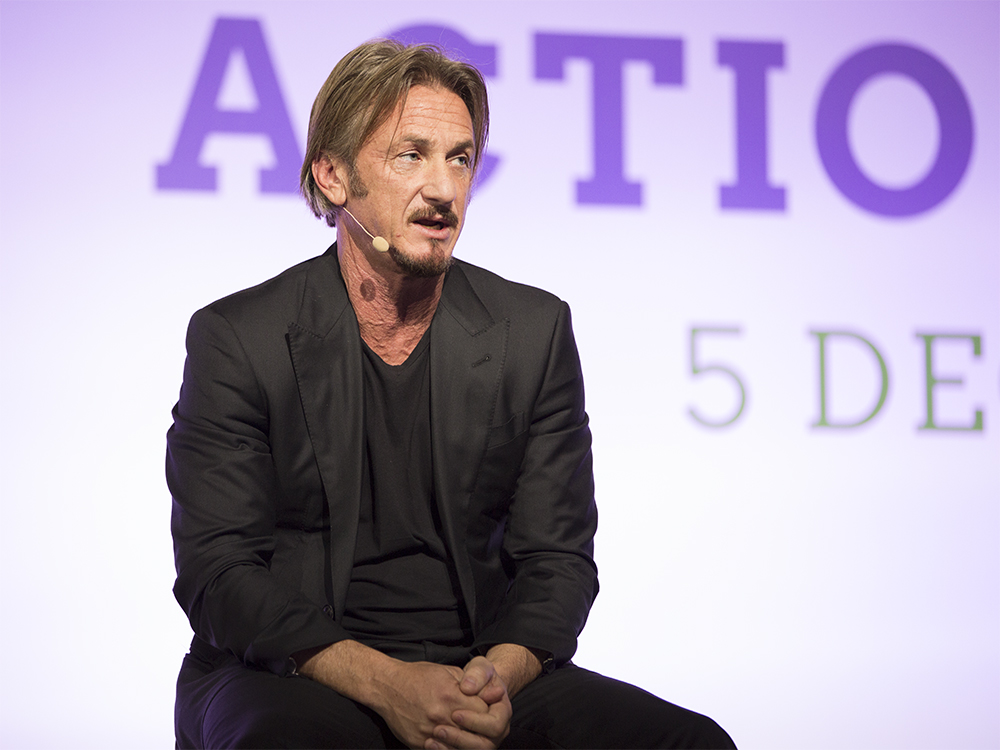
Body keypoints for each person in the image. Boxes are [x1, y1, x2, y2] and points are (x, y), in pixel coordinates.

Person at [168, 39, 735, 749]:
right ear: (333, 176)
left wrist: (491, 681)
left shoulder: (532, 332)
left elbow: (558, 562)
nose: (443, 189)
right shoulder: (240, 337)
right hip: (294, 669)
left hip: (479, 672)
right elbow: (220, 572)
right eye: (410, 156)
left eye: (460, 158)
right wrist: (390, 685)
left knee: (690, 743)